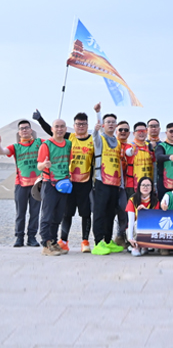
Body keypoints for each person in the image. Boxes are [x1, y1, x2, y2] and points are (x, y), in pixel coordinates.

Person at [0, 120, 42, 247]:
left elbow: (52, 145)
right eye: (21, 128)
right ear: (19, 132)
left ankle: (32, 238)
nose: (24, 130)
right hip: (21, 184)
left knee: (35, 213)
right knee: (20, 213)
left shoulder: (39, 143)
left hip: (37, 185)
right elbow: (3, 151)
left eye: (26, 128)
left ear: (31, 130)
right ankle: (19, 237)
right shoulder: (15, 147)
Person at [91, 105, 125, 255]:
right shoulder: (100, 139)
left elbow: (119, 163)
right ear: (104, 125)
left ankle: (107, 240)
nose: (111, 124)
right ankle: (98, 242)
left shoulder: (117, 142)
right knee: (100, 212)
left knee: (111, 213)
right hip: (102, 181)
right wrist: (98, 113)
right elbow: (95, 135)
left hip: (114, 183)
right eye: (108, 122)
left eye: (113, 122)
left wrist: (121, 183)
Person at [59, 112, 95, 253]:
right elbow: (54, 131)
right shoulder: (69, 137)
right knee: (67, 213)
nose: (81, 126)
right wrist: (40, 119)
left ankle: (85, 241)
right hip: (69, 183)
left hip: (85, 182)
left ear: (87, 125)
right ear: (74, 125)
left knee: (85, 213)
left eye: (83, 124)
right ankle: (63, 241)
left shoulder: (92, 140)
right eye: (78, 124)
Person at [37, 119, 71, 255]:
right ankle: (46, 244)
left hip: (63, 184)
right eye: (57, 126)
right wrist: (44, 164)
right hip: (49, 183)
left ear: (66, 129)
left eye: (62, 126)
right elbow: (39, 166)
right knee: (47, 215)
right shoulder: (46, 145)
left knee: (58, 215)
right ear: (52, 129)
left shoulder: (68, 144)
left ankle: (54, 241)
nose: (59, 129)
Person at [126, 177, 159, 257]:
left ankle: (145, 246)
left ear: (152, 187)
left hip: (150, 228)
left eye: (148, 185)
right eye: (143, 185)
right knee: (137, 223)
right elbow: (131, 221)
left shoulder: (155, 201)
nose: (145, 187)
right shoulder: (132, 200)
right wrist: (130, 238)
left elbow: (155, 220)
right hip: (135, 229)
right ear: (139, 187)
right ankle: (136, 246)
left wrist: (145, 211)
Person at [124, 122, 155, 199]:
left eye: (143, 131)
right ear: (134, 133)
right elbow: (128, 152)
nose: (141, 133)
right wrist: (131, 151)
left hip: (148, 183)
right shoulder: (130, 146)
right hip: (132, 184)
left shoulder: (150, 146)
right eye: (139, 131)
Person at [114, 121, 132, 247]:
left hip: (126, 183)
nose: (123, 132)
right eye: (121, 129)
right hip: (110, 182)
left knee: (124, 209)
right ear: (116, 131)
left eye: (126, 130)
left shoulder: (131, 146)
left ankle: (121, 235)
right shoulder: (111, 144)